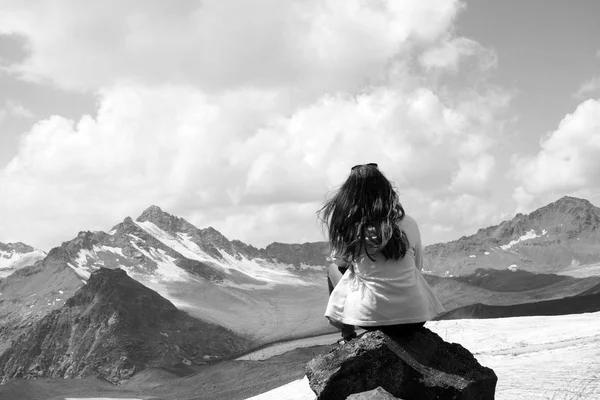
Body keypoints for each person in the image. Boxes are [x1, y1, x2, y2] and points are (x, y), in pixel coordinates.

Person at [318, 163, 444, 344]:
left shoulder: (351, 226)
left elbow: (340, 262)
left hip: (370, 320)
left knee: (332, 269)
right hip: (415, 318)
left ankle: (347, 335)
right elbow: (418, 266)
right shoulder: (409, 222)